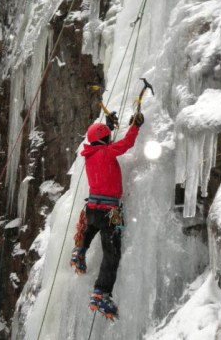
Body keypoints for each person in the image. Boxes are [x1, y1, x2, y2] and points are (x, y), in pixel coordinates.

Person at [70, 110, 144, 319]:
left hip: (92, 208)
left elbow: (99, 141)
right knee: (111, 254)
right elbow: (125, 145)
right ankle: (101, 293)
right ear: (104, 141)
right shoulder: (107, 152)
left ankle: (79, 251)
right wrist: (135, 126)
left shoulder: (90, 155)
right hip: (110, 211)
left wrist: (108, 127)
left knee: (89, 229)